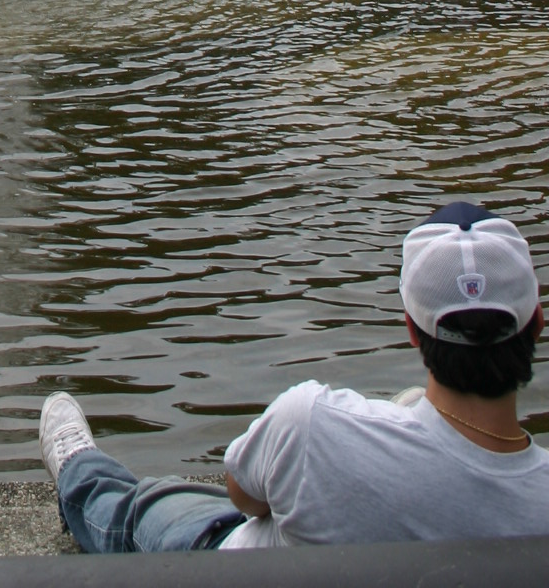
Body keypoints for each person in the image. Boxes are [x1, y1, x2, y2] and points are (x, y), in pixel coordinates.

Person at [41, 200, 549, 553]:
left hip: (231, 557)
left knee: (146, 508)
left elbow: (243, 496)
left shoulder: (312, 422)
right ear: (537, 323)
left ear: (413, 330)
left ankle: (78, 470)